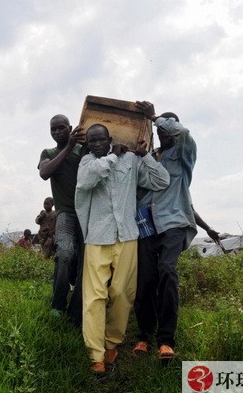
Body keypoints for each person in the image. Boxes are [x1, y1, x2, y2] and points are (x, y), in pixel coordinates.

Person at [76, 124, 170, 375]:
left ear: (109, 138)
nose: (96, 144)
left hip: (127, 235)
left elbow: (162, 181)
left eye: (100, 140)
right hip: (97, 237)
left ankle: (111, 343)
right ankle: (96, 355)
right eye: (91, 141)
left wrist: (144, 155)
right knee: (94, 297)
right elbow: (86, 181)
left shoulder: (130, 160)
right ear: (88, 143)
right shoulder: (87, 162)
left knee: (122, 294)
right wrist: (112, 156)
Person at [132, 101, 216, 361]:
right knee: (145, 279)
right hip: (146, 225)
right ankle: (144, 334)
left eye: (168, 128)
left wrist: (155, 117)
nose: (163, 133)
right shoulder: (149, 155)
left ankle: (166, 340)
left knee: (167, 272)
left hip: (174, 224)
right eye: (160, 130)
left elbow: (183, 132)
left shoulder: (184, 153)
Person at [38, 114, 86, 324]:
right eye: (53, 129)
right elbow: (44, 173)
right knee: (65, 254)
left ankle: (76, 309)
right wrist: (68, 148)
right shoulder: (48, 153)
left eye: (61, 128)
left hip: (87, 213)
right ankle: (57, 304)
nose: (56, 132)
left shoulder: (83, 150)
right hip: (65, 213)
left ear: (70, 127)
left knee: (86, 263)